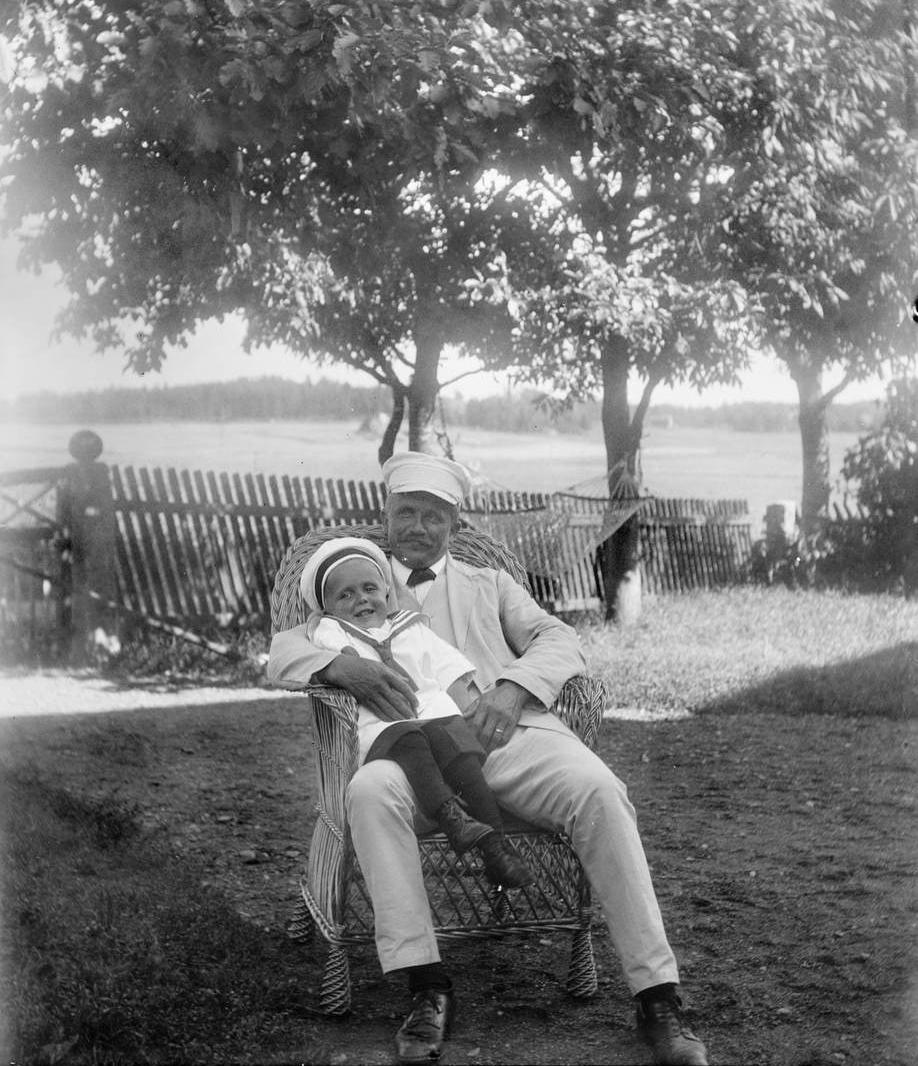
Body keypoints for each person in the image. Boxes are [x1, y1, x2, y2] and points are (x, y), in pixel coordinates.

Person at [269, 451, 709, 1066]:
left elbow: (561, 638)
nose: (418, 527)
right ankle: (427, 987)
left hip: (507, 735)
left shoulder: (490, 584)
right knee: (369, 794)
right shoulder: (357, 585)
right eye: (406, 513)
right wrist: (340, 665)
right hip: (410, 748)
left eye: (434, 517)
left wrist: (513, 688)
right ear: (386, 517)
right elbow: (284, 648)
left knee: (599, 789)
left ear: (455, 526)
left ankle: (658, 998)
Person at [298, 536, 533, 889]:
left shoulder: (410, 626)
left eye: (369, 588)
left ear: (387, 594)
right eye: (345, 595)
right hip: (383, 724)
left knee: (462, 754)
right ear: (327, 608)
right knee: (410, 740)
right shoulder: (331, 629)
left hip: (431, 714)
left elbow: (446, 665)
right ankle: (451, 817)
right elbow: (331, 654)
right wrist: (347, 658)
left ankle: (496, 848)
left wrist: (467, 706)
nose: (361, 599)